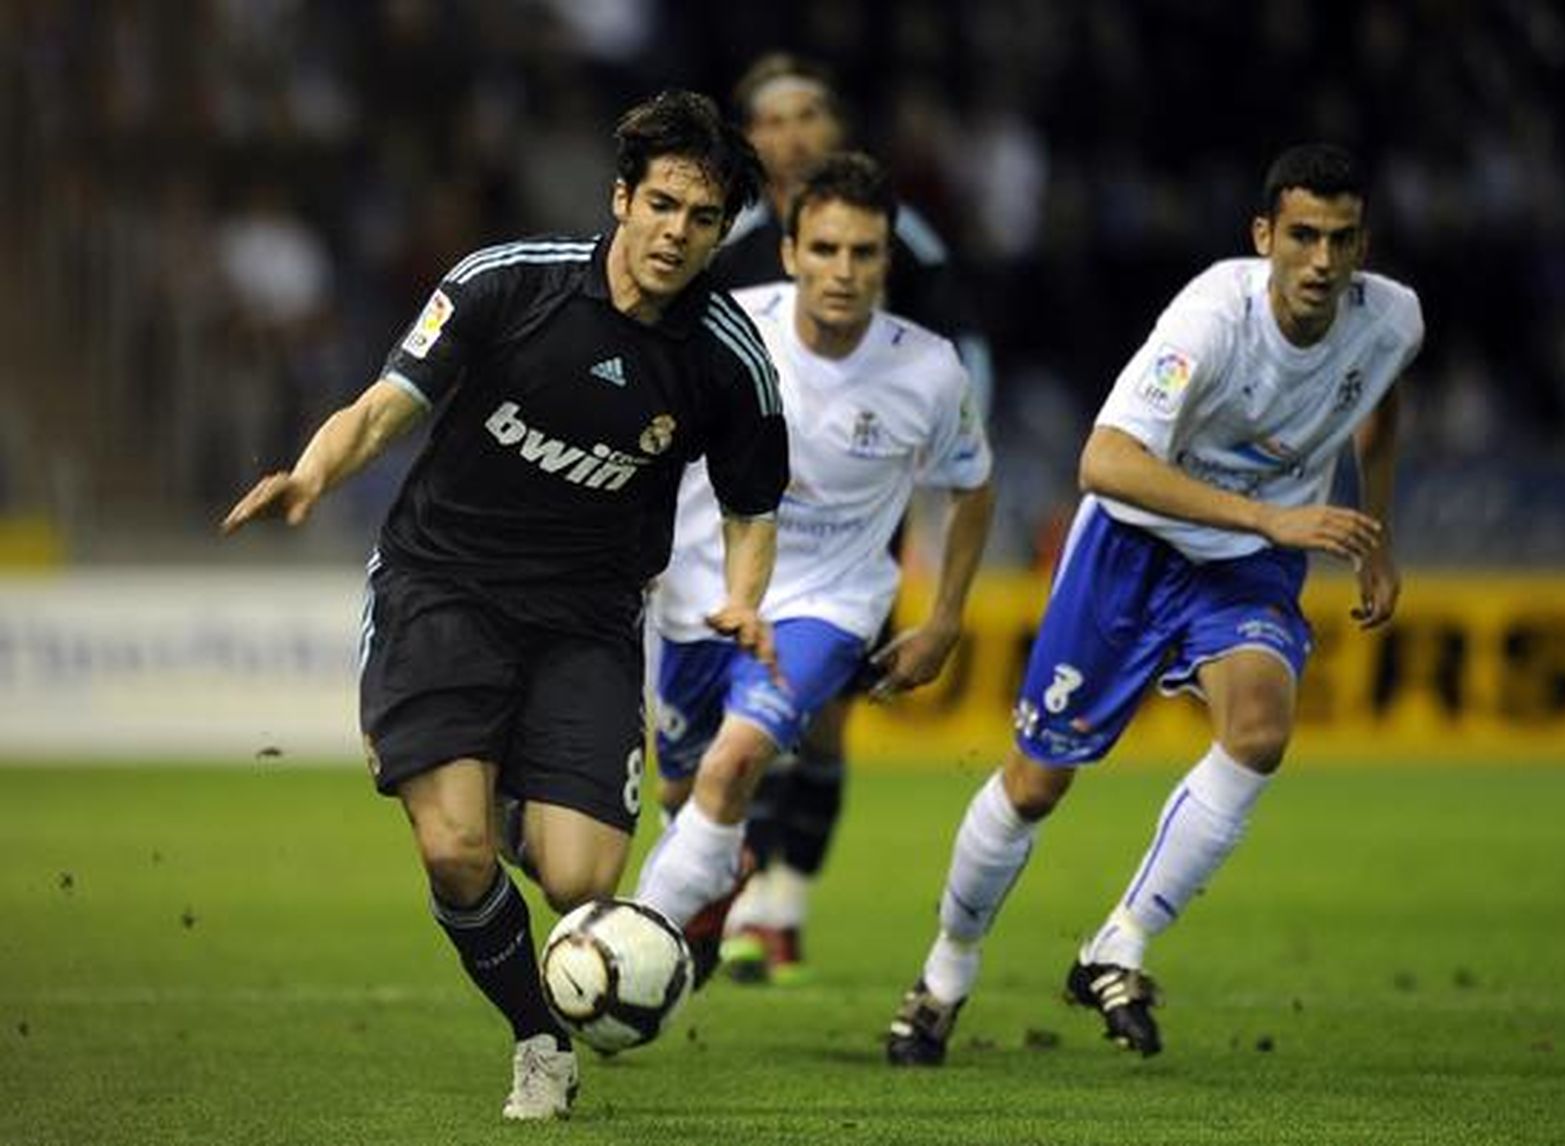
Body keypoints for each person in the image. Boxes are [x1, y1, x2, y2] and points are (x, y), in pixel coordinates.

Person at [220, 90, 786, 1121]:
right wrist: (309, 476)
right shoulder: (506, 283)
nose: (675, 233)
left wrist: (746, 603)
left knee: (582, 881)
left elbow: (753, 511)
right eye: (661, 204)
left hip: (588, 616)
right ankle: (539, 1037)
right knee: (454, 852)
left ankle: (517, 795)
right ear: (620, 198)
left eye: (702, 221)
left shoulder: (727, 360)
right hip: (443, 588)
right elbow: (385, 405)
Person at [884, 142, 1423, 1065]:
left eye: (1340, 240)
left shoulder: (1392, 319)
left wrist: (1375, 535)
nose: (1322, 262)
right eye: (1302, 236)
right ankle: (945, 973)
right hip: (1131, 548)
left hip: (1246, 565)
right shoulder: (1213, 318)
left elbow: (1378, 402)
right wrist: (1272, 515)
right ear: (1265, 237)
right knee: (1036, 782)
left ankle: (1119, 943)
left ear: (1362, 244)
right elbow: (1105, 461)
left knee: (1259, 730)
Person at [633, 152, 995, 984]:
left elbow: (972, 487)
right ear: (791, 254)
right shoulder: (720, 330)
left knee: (734, 765)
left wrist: (942, 619)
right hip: (700, 592)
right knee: (683, 795)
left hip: (828, 604)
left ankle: (636, 949)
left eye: (864, 253)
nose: (843, 271)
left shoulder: (930, 370)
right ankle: (714, 883)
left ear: (886, 263)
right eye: (825, 250)